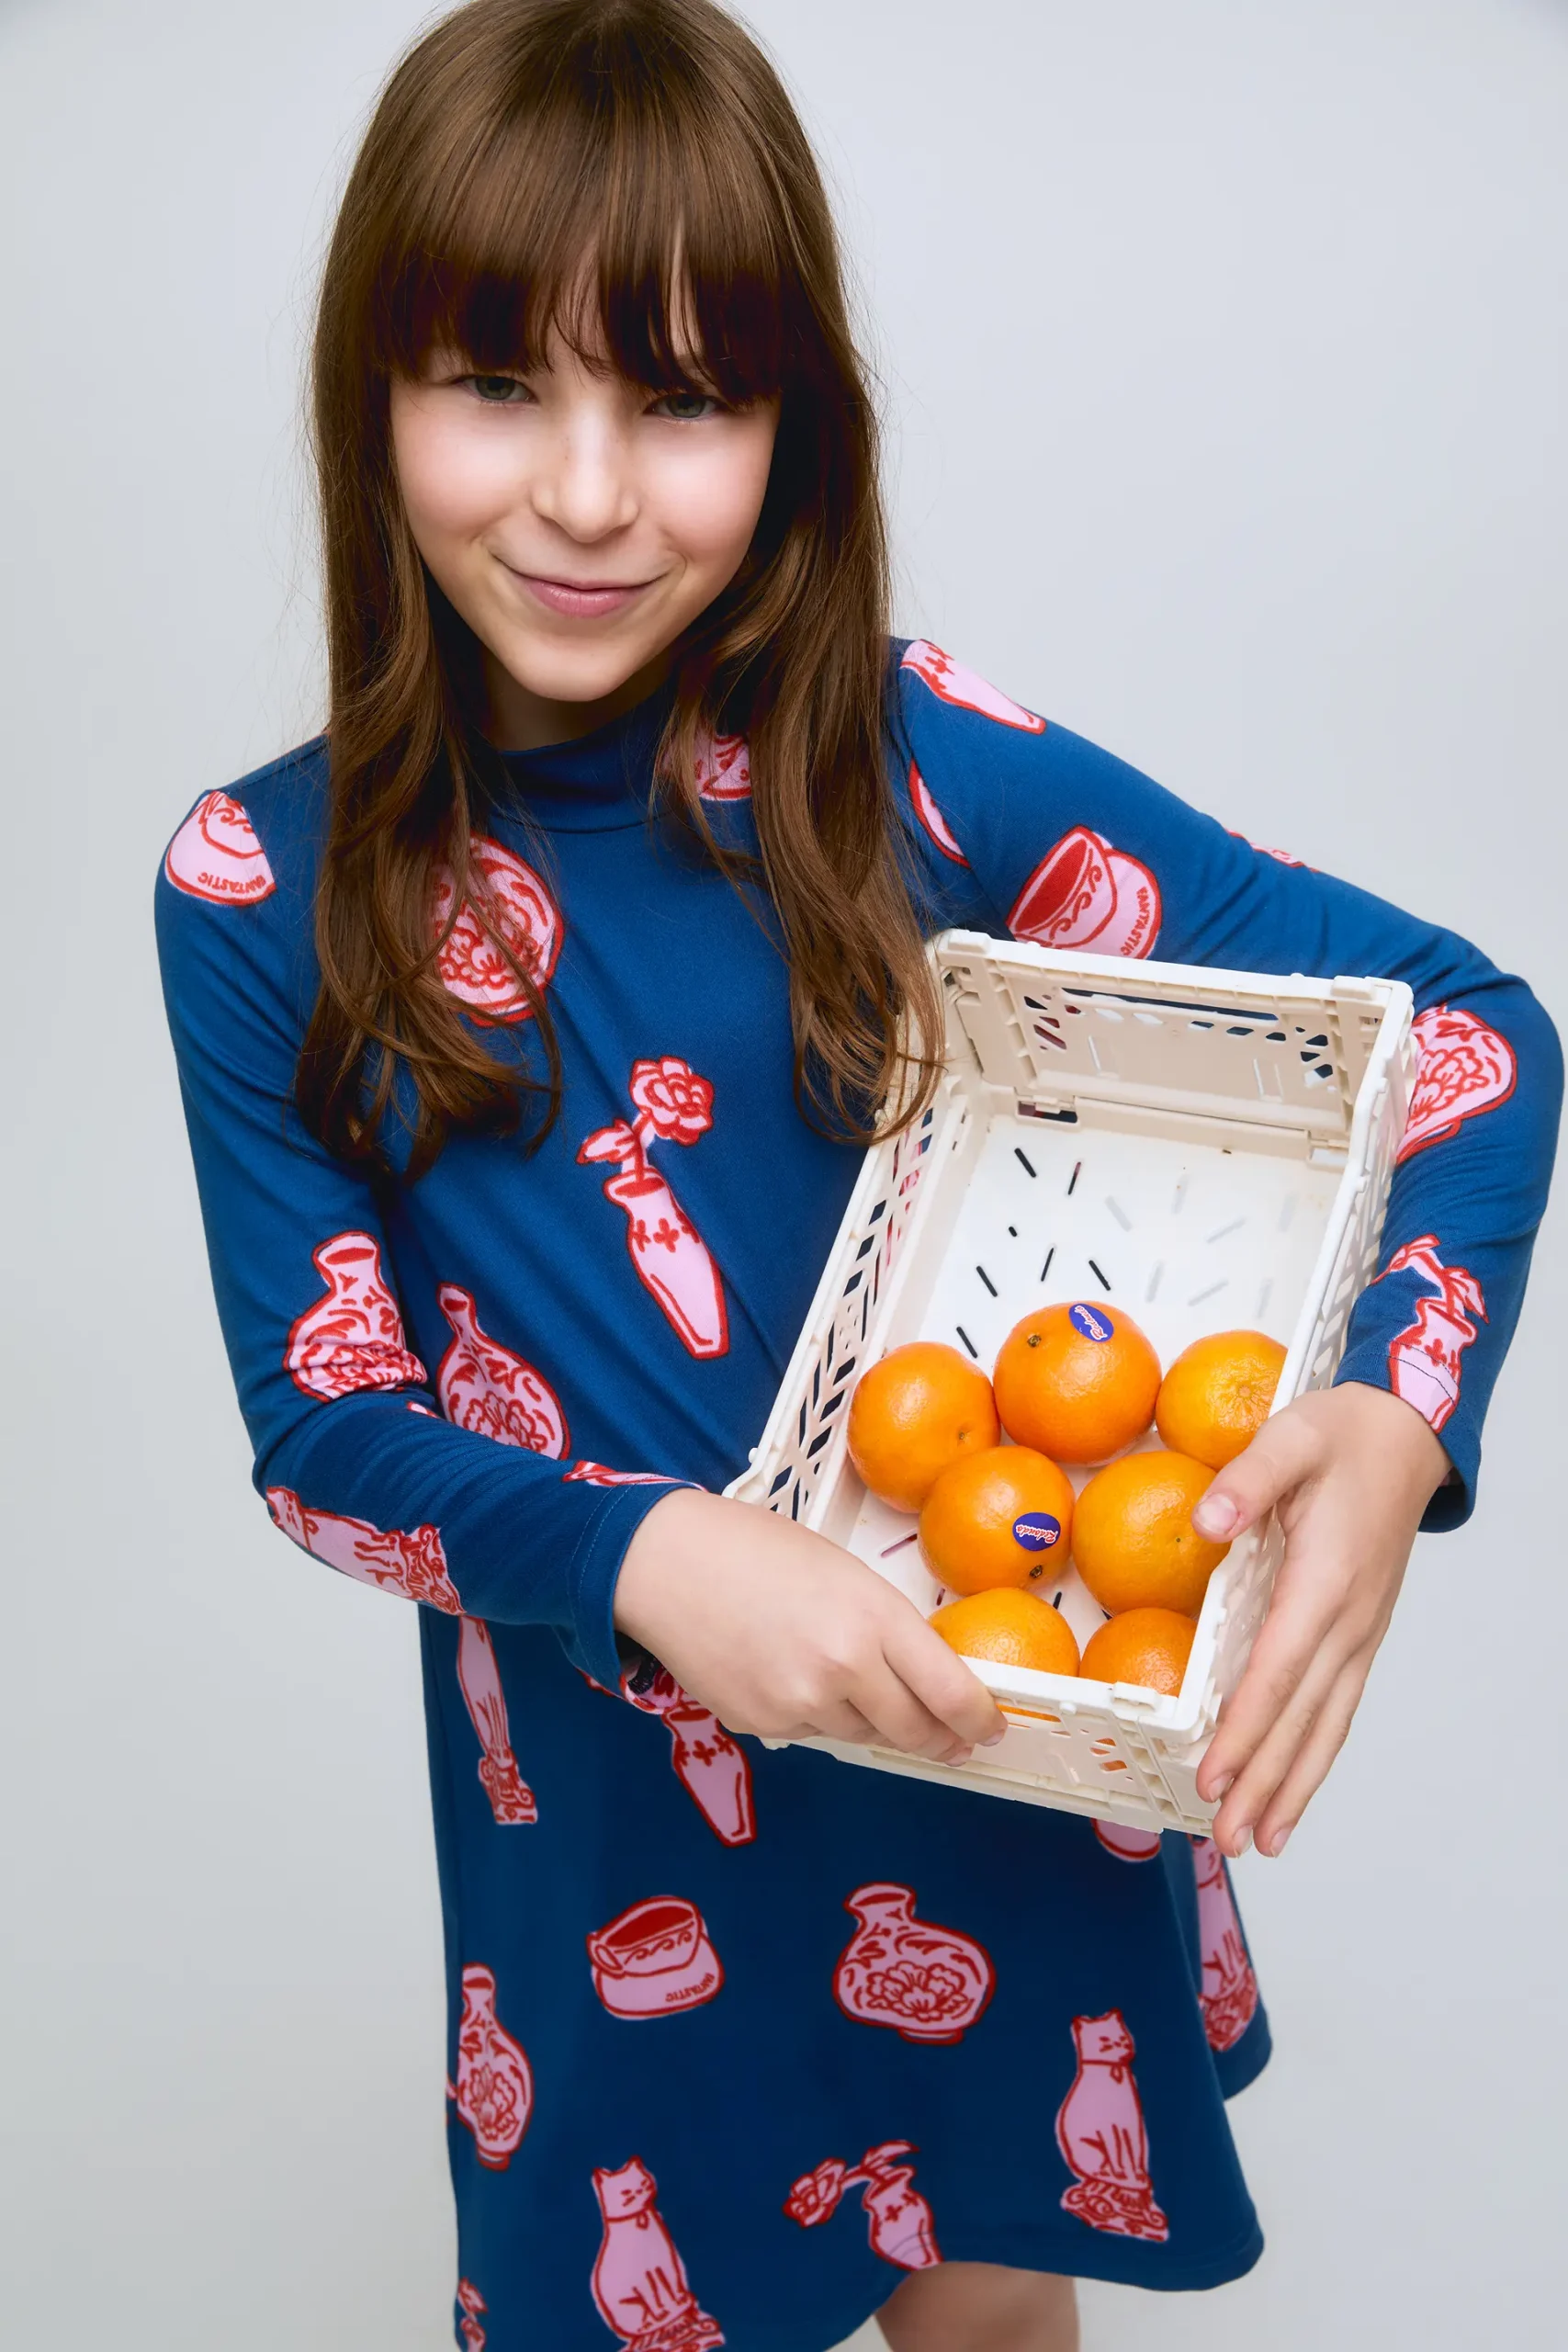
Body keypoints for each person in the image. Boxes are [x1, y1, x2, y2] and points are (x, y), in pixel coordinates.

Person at [154, 4, 1561, 2347]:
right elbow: (325, 1431)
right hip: (611, 1851)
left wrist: (1402, 1406)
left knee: (992, 2306)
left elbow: (1468, 1031)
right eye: (494, 382)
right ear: (367, 396)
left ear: (794, 427)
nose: (587, 493)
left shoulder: (907, 767)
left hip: (994, 1756)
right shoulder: (256, 886)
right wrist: (646, 1550)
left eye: (682, 399)